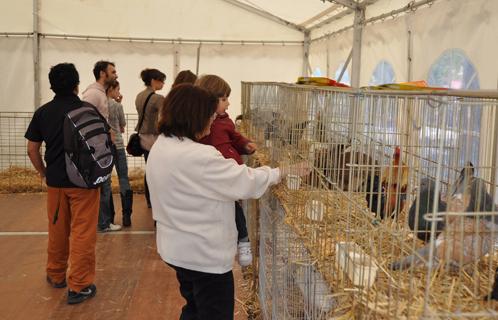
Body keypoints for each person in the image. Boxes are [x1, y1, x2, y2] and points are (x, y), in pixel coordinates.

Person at [146, 84, 309, 320]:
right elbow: (245, 182)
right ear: (194, 116)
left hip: (176, 250)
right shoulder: (200, 156)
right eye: (209, 115)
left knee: (193, 307)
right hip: (203, 256)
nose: (212, 121)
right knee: (214, 313)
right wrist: (281, 171)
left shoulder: (162, 145)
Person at [25, 63, 99, 305]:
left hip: (56, 182)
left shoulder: (43, 112)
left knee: (57, 230)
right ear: (77, 84)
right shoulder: (87, 110)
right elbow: (103, 140)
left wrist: (43, 172)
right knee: (83, 233)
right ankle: (79, 285)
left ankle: (56, 275)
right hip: (84, 183)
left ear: (52, 85)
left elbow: (32, 149)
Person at [196, 74, 256, 267]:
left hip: (231, 172)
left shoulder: (225, 120)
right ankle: (238, 240)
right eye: (224, 99)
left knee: (234, 207)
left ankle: (243, 240)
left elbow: (234, 138)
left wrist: (245, 145)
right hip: (215, 174)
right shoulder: (201, 124)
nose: (228, 104)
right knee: (223, 209)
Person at [82, 60, 121, 232]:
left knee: (104, 185)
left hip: (102, 146)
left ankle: (103, 222)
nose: (115, 75)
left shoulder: (100, 93)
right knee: (101, 185)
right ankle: (102, 223)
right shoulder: (93, 94)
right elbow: (85, 121)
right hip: (96, 148)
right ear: (102, 74)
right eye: (112, 72)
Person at [135, 68, 165, 208]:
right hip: (153, 137)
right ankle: (156, 198)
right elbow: (164, 116)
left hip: (142, 135)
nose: (163, 84)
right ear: (153, 80)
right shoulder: (158, 98)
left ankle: (149, 200)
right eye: (161, 80)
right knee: (157, 170)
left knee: (149, 168)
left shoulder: (139, 96)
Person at [107, 80, 133, 227]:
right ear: (112, 89)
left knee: (106, 181)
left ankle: (109, 216)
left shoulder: (100, 104)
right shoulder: (117, 106)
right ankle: (126, 215)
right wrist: (119, 103)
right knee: (123, 178)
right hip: (118, 145)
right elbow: (122, 126)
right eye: (118, 89)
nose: (119, 93)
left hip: (105, 147)